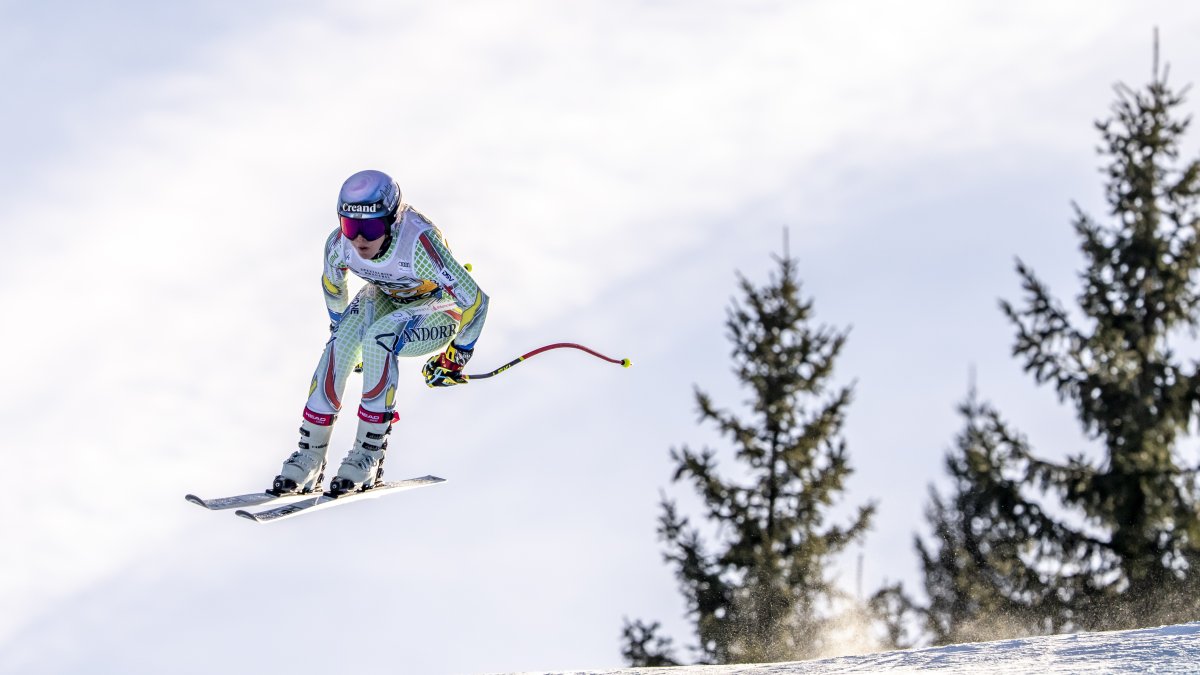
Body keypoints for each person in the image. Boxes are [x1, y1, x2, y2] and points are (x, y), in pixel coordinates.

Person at [271, 169, 489, 496]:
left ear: (391, 221)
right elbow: (333, 285)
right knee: (341, 341)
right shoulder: (339, 245)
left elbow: (476, 301)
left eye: (370, 227)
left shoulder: (417, 245)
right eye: (350, 225)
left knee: (378, 336)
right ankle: (309, 455)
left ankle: (367, 456)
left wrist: (456, 357)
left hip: (438, 308)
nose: (359, 239)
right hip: (388, 297)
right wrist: (341, 333)